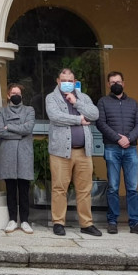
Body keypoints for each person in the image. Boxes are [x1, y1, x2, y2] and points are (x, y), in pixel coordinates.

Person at [45, 68, 100, 237]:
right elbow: (55, 117)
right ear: (58, 81)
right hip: (60, 152)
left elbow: (95, 114)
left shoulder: (83, 97)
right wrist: (79, 120)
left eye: (70, 80)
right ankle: (58, 222)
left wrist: (76, 102)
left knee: (84, 189)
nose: (67, 83)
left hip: (83, 152)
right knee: (59, 188)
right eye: (64, 80)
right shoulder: (51, 97)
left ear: (74, 81)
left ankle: (86, 223)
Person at [96, 71, 138, 236]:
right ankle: (112, 221)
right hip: (112, 148)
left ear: (124, 83)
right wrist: (117, 138)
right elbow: (101, 123)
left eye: (118, 81)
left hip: (131, 148)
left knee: (132, 188)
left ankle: (135, 223)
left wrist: (129, 138)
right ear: (108, 84)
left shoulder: (133, 103)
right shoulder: (103, 101)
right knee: (113, 187)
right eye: (112, 82)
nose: (115, 84)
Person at [0, 82, 35, 234]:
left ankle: (25, 220)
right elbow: (0, 131)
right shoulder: (2, 111)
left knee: (24, 188)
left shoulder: (29, 110)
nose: (16, 96)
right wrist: (20, 131)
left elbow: (28, 128)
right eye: (13, 94)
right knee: (11, 188)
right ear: (8, 95)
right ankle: (12, 219)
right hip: (8, 153)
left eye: (18, 93)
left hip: (24, 153)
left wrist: (10, 127)